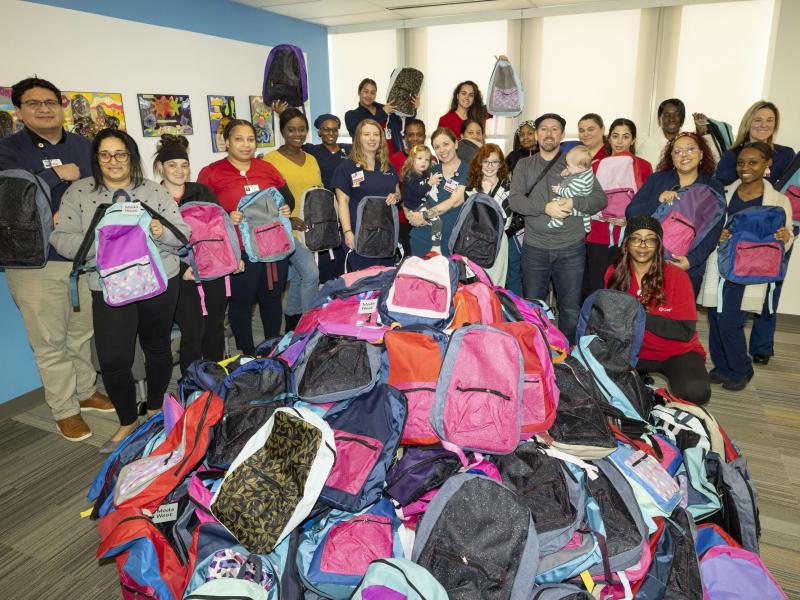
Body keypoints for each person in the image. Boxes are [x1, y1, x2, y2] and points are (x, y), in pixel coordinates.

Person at [50, 129, 192, 452]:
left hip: (159, 281)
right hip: (109, 286)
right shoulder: (79, 192)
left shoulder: (153, 191)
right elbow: (60, 238)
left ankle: (155, 410)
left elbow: (183, 231)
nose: (113, 161)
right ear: (96, 158)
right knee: (114, 359)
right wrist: (100, 241)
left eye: (121, 154)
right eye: (105, 155)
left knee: (157, 347)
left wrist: (160, 232)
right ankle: (128, 421)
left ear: (131, 157)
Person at [0, 76, 113, 442]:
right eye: (34, 103)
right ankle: (64, 409)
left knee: (81, 333)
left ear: (61, 105)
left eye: (50, 101)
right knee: (49, 340)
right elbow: (7, 196)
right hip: (37, 261)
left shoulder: (86, 146)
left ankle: (85, 390)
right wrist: (52, 176)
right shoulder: (9, 150)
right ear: (19, 110)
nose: (44, 108)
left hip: (83, 256)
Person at [700, 143, 794, 389]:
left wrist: (786, 237)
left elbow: (786, 235)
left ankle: (742, 367)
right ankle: (722, 365)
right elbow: (712, 224)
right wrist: (718, 235)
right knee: (715, 316)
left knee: (730, 321)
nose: (745, 168)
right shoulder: (726, 192)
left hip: (750, 270)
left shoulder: (778, 199)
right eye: (741, 162)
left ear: (767, 164)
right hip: (720, 264)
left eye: (753, 162)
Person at [508, 113, 607, 343]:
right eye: (544, 129)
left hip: (571, 248)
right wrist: (546, 208)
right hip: (534, 248)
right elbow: (515, 200)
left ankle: (567, 356)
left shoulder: (575, 163)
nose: (549, 133)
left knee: (570, 308)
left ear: (562, 135)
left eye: (555, 129)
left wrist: (574, 203)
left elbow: (599, 199)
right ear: (536, 135)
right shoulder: (524, 164)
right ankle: (537, 352)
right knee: (533, 305)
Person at [197, 119, 294, 354]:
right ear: (227, 142)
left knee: (272, 300)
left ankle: (272, 348)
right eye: (239, 139)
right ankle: (248, 352)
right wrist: (226, 218)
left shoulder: (267, 168)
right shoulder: (211, 173)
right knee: (242, 302)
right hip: (238, 250)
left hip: (272, 246)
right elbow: (204, 217)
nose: (245, 144)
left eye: (250, 139)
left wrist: (286, 209)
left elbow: (287, 198)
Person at [605, 215, 710, 405]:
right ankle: (639, 382)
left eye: (650, 239)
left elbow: (684, 332)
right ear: (627, 243)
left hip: (676, 351)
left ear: (658, 244)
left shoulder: (677, 277)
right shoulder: (615, 273)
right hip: (634, 351)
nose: (643, 245)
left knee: (696, 391)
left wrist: (639, 314)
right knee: (604, 389)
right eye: (636, 238)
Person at [153, 135, 232, 376]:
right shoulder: (153, 197)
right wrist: (181, 266)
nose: (179, 171)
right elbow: (151, 240)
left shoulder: (202, 191)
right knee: (193, 330)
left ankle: (215, 377)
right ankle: (191, 381)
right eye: (172, 165)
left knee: (215, 327)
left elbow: (220, 227)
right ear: (160, 167)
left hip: (211, 267)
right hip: (178, 273)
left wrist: (233, 257)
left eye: (184, 165)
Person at [626, 131, 723, 296]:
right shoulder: (657, 180)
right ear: (671, 157)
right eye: (677, 151)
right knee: (645, 315)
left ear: (701, 154)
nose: (684, 155)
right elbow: (631, 213)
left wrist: (691, 261)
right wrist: (658, 200)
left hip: (687, 267)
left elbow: (713, 230)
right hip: (648, 262)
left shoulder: (713, 187)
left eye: (690, 149)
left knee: (680, 319)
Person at [265, 108, 322, 330]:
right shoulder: (270, 161)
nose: (297, 134)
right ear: (282, 131)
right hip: (285, 228)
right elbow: (267, 200)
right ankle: (310, 326)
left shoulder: (311, 159)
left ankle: (292, 318)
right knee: (311, 274)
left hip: (310, 228)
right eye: (291, 129)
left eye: (301, 129)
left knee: (299, 275)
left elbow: (317, 192)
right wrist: (288, 220)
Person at [584, 118, 653, 297]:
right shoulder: (596, 165)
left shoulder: (644, 166)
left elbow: (647, 202)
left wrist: (629, 219)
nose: (620, 141)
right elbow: (587, 201)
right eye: (615, 136)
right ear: (609, 139)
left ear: (633, 140)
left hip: (629, 234)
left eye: (625, 136)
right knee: (598, 287)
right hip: (599, 234)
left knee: (626, 287)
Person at [332, 119, 400, 270]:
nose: (372, 138)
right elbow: (342, 202)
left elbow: (398, 193)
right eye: (367, 134)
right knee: (365, 284)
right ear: (358, 138)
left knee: (385, 282)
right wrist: (347, 232)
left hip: (386, 236)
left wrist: (395, 196)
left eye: (376, 134)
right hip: (359, 236)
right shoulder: (346, 167)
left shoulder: (387, 166)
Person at [406, 127, 467, 258]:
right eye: (437, 147)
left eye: (446, 144)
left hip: (451, 242)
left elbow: (454, 201)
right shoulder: (432, 169)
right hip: (421, 238)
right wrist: (411, 215)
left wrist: (424, 215)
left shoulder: (467, 169)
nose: (442, 150)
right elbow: (411, 191)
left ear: (456, 144)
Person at [466, 143, 515, 288]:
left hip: (499, 242)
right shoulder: (472, 187)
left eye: (494, 162)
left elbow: (505, 222)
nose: (490, 166)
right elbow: (471, 220)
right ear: (479, 163)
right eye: (486, 161)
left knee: (496, 285)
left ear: (500, 164)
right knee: (476, 286)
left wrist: (486, 197)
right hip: (475, 242)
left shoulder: (507, 187)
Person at [714, 101, 795, 187]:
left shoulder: (786, 154)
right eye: (758, 120)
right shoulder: (731, 156)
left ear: (775, 124)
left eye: (769, 120)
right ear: (747, 124)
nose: (764, 125)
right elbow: (722, 193)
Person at [637, 98, 718, 168]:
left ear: (682, 119)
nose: (671, 119)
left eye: (677, 115)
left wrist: (704, 134)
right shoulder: (648, 145)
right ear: (659, 119)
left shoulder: (690, 141)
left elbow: (714, 164)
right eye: (666, 115)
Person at [344, 78, 417, 152]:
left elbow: (403, 127)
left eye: (373, 93)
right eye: (366, 91)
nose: (369, 95)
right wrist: (382, 113)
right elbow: (359, 131)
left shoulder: (386, 109)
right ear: (359, 92)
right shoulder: (351, 115)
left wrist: (412, 109)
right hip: (369, 159)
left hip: (394, 157)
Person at [390, 118, 428, 257]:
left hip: (426, 218)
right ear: (405, 137)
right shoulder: (395, 159)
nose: (415, 138)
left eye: (419, 134)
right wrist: (406, 210)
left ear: (424, 136)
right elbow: (393, 189)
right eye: (411, 135)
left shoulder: (432, 159)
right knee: (410, 258)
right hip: (404, 219)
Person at [401, 145, 442, 251]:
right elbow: (418, 192)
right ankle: (436, 246)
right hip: (414, 207)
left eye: (427, 159)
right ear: (412, 160)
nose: (423, 162)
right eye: (420, 158)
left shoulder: (424, 174)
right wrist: (429, 183)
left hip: (422, 204)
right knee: (437, 222)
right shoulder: (410, 176)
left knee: (435, 220)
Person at [547, 145, 595, 231]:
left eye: (569, 165)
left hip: (577, 205)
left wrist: (558, 189)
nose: (567, 167)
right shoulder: (586, 170)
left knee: (557, 202)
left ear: (580, 167)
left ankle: (557, 221)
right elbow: (573, 176)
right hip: (582, 200)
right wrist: (568, 174)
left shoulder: (581, 180)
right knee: (585, 214)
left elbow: (569, 193)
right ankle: (587, 226)